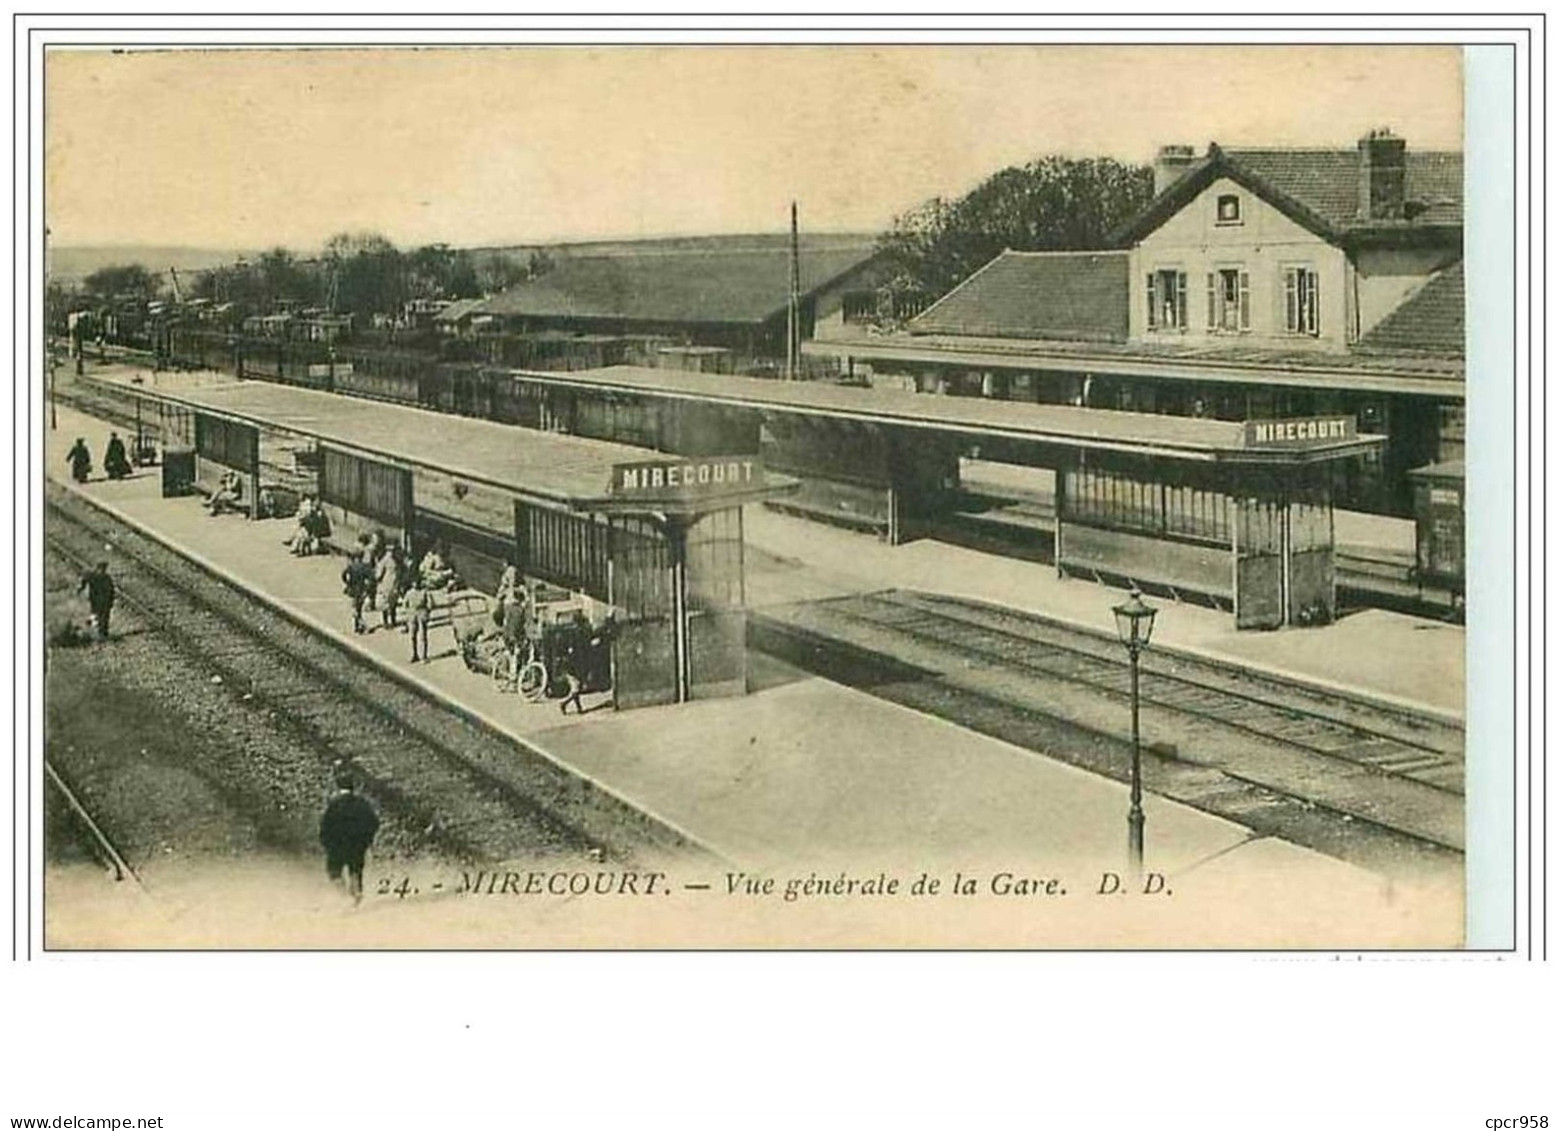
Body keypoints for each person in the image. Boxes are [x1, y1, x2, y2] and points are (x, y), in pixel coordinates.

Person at [318, 768, 379, 905]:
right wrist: (367, 840)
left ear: (338, 786)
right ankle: (356, 895)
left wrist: (326, 842)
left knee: (334, 872)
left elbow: (325, 825)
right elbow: (373, 822)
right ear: (353, 787)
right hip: (357, 844)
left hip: (337, 844)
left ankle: (344, 896)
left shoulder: (334, 805)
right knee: (355, 870)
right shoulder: (361, 803)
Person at [76, 560, 115, 641]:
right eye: (102, 568)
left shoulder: (102, 577)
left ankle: (102, 634)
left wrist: (81, 588)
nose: (102, 570)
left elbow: (111, 591)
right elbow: (85, 577)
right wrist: (81, 587)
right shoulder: (103, 577)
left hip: (101, 601)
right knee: (101, 617)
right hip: (98, 600)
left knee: (102, 617)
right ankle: (100, 634)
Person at [341, 551, 375, 634]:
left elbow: (343, 575)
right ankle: (358, 626)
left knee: (355, 608)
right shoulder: (364, 567)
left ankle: (361, 625)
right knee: (358, 608)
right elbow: (371, 577)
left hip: (353, 589)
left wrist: (347, 583)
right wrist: (368, 587)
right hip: (361, 589)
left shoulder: (351, 567)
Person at [402, 574, 432, 662]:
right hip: (412, 615)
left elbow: (430, 604)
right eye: (414, 583)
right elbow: (405, 604)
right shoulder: (409, 593)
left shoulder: (424, 592)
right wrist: (407, 614)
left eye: (417, 583)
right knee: (412, 636)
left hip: (421, 614)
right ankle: (414, 654)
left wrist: (427, 613)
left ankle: (423, 656)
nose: (416, 584)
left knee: (423, 636)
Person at [376, 544, 405, 630]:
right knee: (390, 604)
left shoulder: (386, 560)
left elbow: (378, 574)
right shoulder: (393, 560)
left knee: (389, 604)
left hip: (389, 585)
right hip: (391, 585)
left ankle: (389, 622)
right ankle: (390, 622)